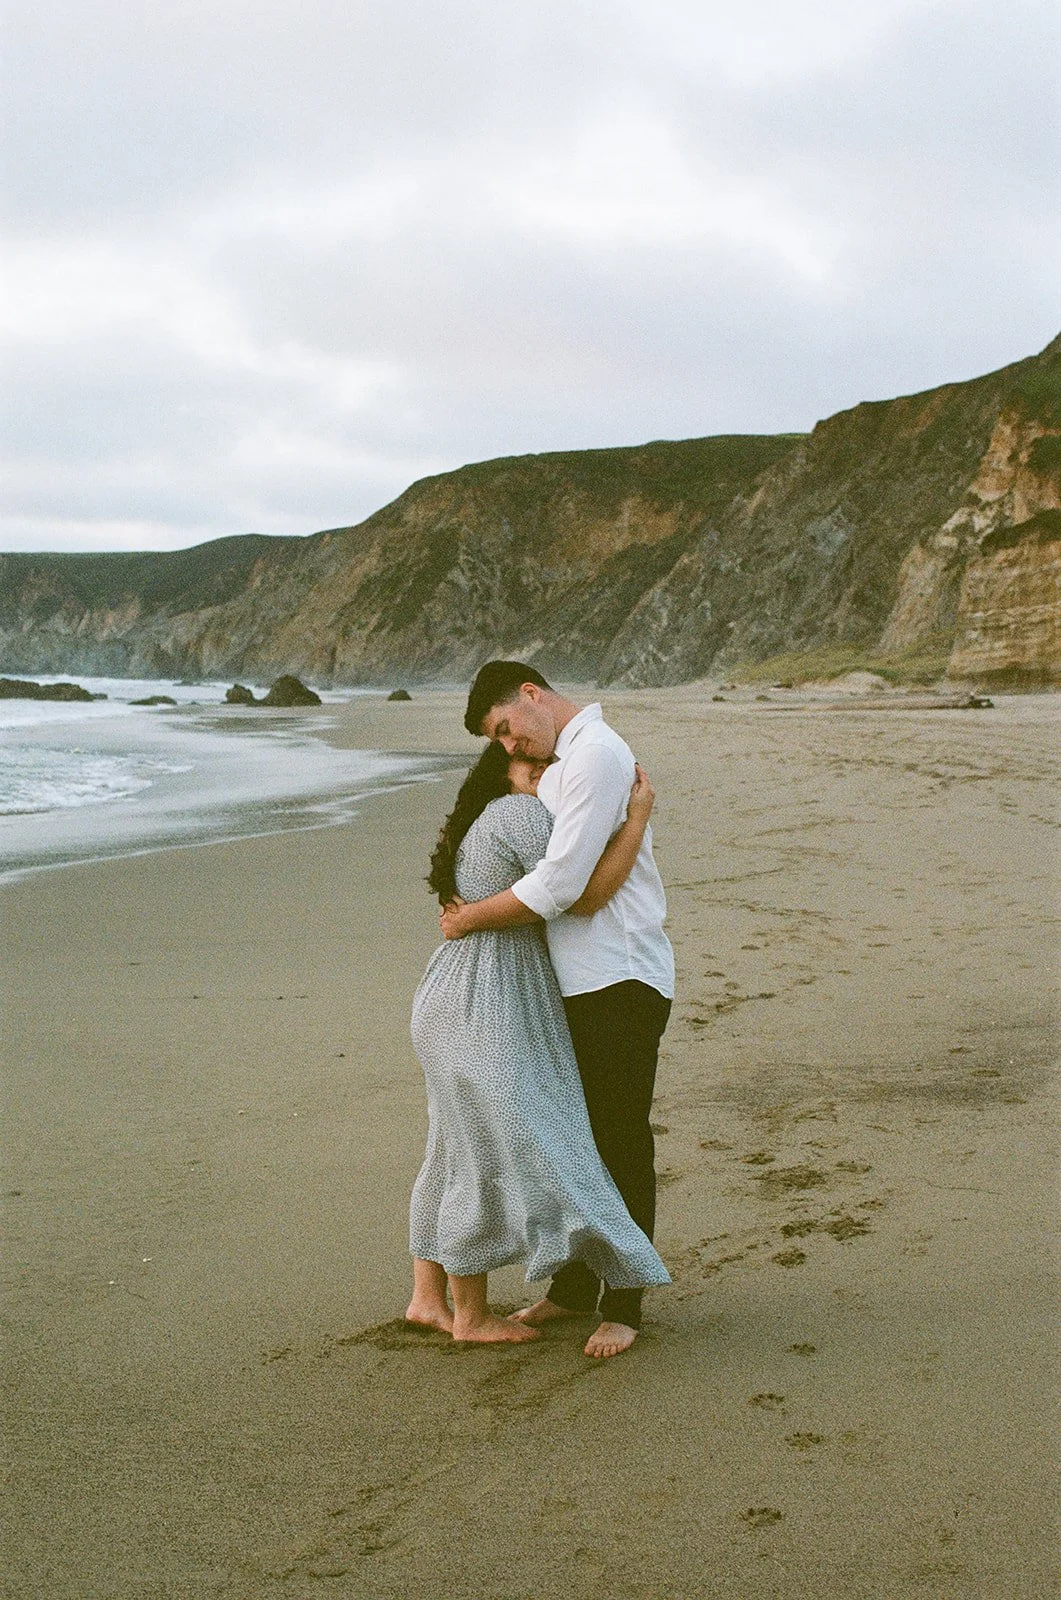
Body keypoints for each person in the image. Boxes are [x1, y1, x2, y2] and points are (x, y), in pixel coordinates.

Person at [440, 662, 674, 1359]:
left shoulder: (597, 755)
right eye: (499, 741)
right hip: (577, 979)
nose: (509, 748)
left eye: (506, 729)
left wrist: (472, 917)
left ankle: (624, 1302)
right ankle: (575, 1288)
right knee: (573, 1135)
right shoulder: (568, 761)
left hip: (620, 975)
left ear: (532, 696)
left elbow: (569, 887)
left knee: (618, 1138)